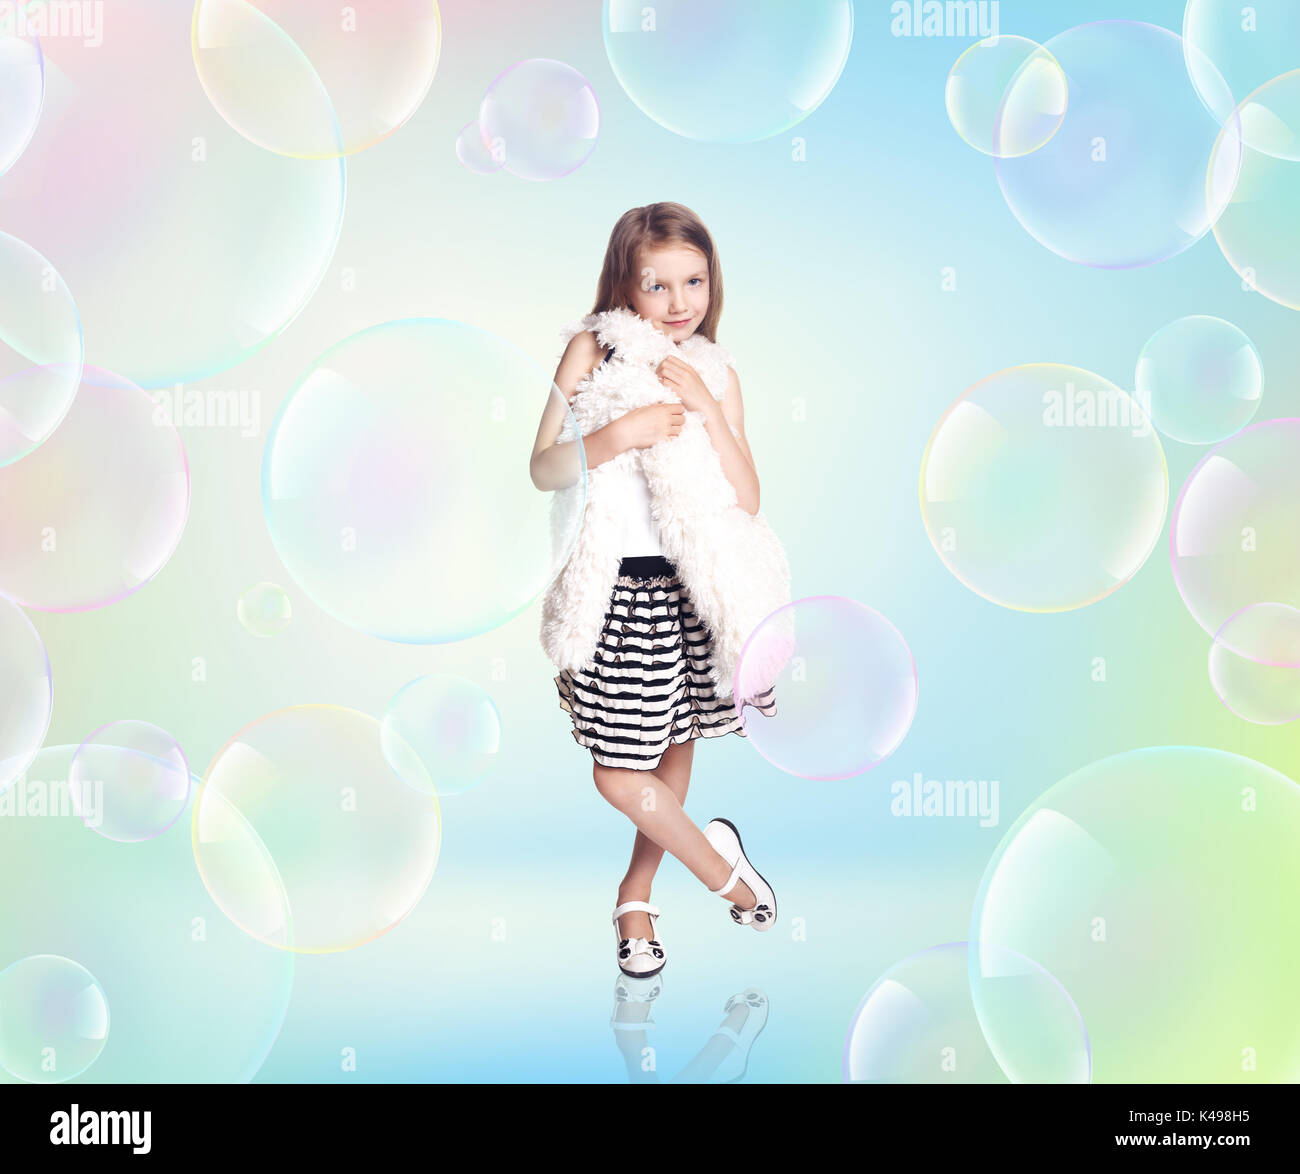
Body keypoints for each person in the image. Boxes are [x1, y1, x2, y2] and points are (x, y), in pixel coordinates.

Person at [530, 202, 793, 979]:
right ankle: (725, 874)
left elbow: (747, 497)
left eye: (694, 282)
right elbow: (542, 466)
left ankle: (636, 898)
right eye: (657, 285)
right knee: (619, 765)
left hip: (693, 589)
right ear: (625, 285)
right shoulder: (590, 350)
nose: (679, 303)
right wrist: (616, 434)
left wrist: (709, 410)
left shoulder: (714, 370)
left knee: (672, 747)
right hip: (616, 592)